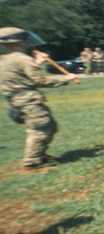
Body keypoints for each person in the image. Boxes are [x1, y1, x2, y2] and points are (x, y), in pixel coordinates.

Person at [0, 27, 78, 171]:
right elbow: (39, 80)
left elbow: (19, 75)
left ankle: (40, 154)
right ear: (19, 41)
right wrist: (65, 78)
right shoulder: (24, 59)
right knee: (40, 128)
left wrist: (37, 63)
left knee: (50, 126)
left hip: (13, 100)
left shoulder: (4, 59)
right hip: (28, 100)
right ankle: (33, 161)